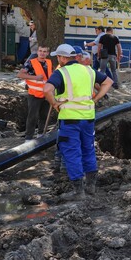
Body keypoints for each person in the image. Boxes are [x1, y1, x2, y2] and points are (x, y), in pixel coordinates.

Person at [44, 44, 113, 200]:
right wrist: (96, 98)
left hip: (70, 119)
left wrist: (54, 103)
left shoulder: (61, 72)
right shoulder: (88, 70)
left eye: (58, 57)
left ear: (62, 57)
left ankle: (78, 192)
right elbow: (108, 82)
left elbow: (47, 90)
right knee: (88, 149)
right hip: (88, 118)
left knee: (72, 152)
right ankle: (91, 187)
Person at [17, 45, 53, 140]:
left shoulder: (48, 63)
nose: (42, 53)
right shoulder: (31, 63)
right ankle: (29, 137)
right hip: (34, 94)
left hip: (46, 94)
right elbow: (20, 74)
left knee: (44, 116)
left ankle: (41, 134)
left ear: (47, 53)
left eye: (44, 51)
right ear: (37, 52)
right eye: (40, 51)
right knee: (32, 116)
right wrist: (35, 78)